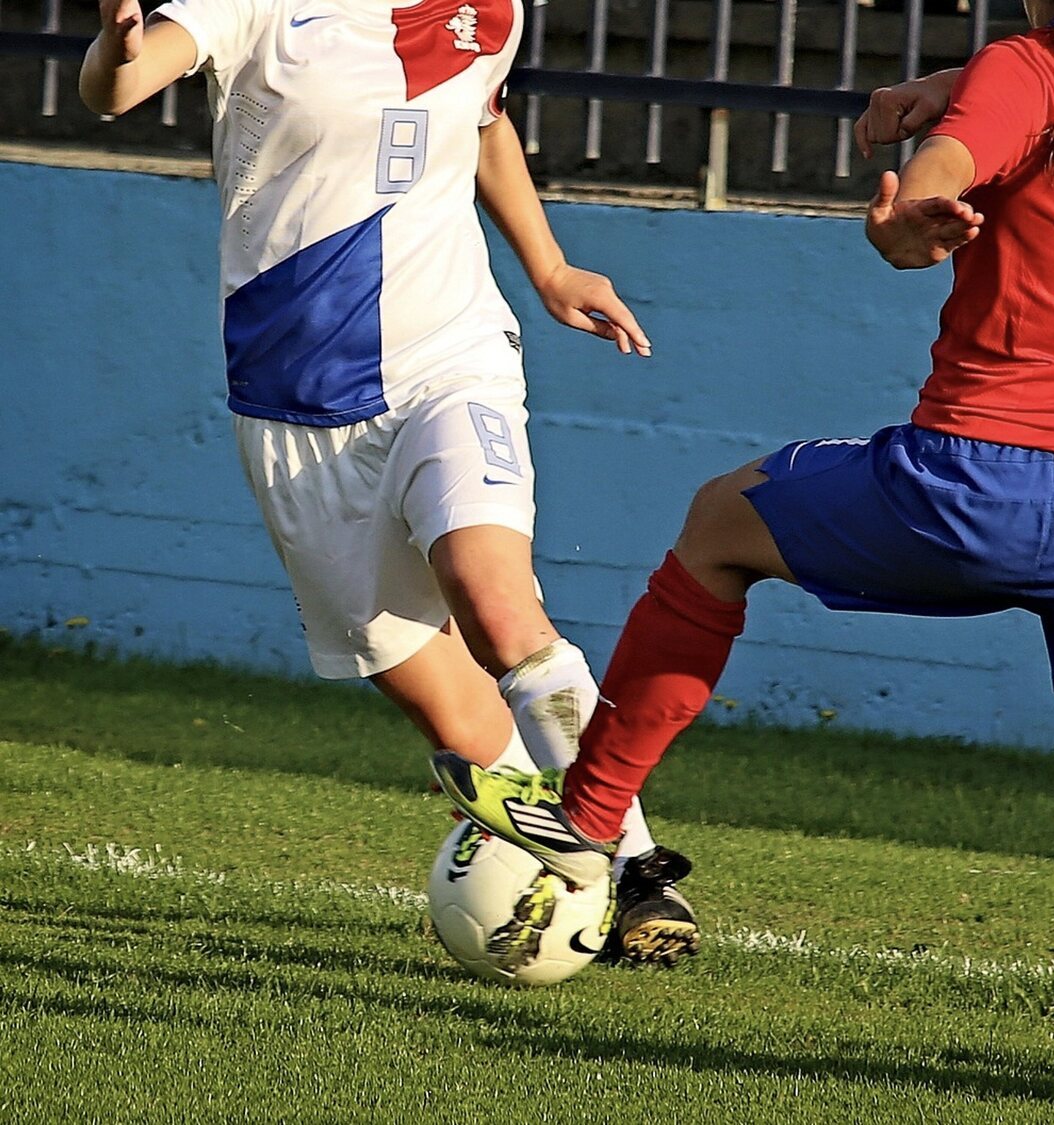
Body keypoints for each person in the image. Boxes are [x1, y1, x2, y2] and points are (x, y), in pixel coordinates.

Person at [433, 0, 1054, 1094]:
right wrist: (943, 91)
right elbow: (1035, 94)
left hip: (977, 485)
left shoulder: (1024, 69)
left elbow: (961, 154)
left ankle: (588, 816)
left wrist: (907, 213)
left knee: (721, 526)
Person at [79, 0, 699, 966]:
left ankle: (635, 868)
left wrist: (548, 266)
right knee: (448, 715)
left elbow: (482, 118)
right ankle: (557, 871)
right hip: (295, 407)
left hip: (451, 358)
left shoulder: (492, 11)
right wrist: (116, 45)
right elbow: (115, 89)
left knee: (498, 605)